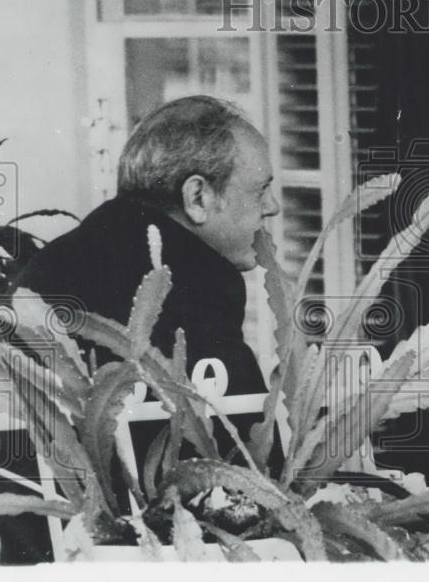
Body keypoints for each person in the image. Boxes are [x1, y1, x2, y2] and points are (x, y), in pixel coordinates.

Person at [16, 95, 281, 394]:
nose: (274, 207)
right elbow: (241, 437)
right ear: (197, 198)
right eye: (261, 190)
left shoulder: (63, 255)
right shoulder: (198, 288)